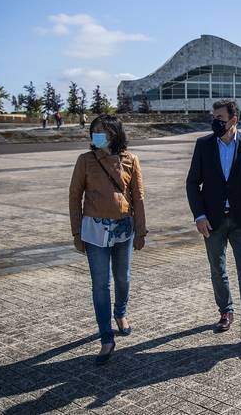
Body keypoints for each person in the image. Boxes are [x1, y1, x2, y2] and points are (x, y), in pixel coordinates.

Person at [185, 100, 241, 340]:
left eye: (220, 118)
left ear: (234, 120)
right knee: (217, 268)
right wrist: (199, 215)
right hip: (211, 220)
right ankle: (226, 311)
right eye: (214, 117)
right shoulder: (203, 145)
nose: (215, 121)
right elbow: (193, 182)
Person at [69, 114, 147, 365]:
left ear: (115, 133)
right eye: (94, 131)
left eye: (102, 130)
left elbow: (138, 196)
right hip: (94, 230)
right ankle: (105, 336)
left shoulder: (131, 159)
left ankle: (120, 313)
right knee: (100, 284)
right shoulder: (85, 160)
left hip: (124, 229)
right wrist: (76, 232)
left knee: (123, 278)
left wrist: (141, 230)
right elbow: (74, 197)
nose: (97, 135)